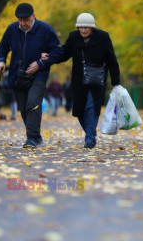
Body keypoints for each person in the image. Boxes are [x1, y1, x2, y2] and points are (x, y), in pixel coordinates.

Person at [43, 13, 120, 149]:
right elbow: (65, 53)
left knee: (92, 107)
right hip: (79, 80)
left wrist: (115, 80)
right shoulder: (74, 37)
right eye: (81, 27)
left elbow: (112, 59)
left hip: (97, 79)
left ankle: (89, 139)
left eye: (86, 27)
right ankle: (91, 133)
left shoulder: (103, 37)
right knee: (79, 110)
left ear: (92, 28)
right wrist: (50, 57)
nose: (83, 30)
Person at [0, 2, 63, 148]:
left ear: (33, 16)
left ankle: (31, 138)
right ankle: (36, 136)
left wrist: (40, 64)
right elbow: (2, 46)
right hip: (17, 75)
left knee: (33, 104)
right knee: (23, 107)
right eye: (20, 20)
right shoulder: (12, 29)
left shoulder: (45, 30)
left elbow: (58, 52)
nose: (22, 23)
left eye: (26, 20)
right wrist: (1, 61)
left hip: (39, 75)